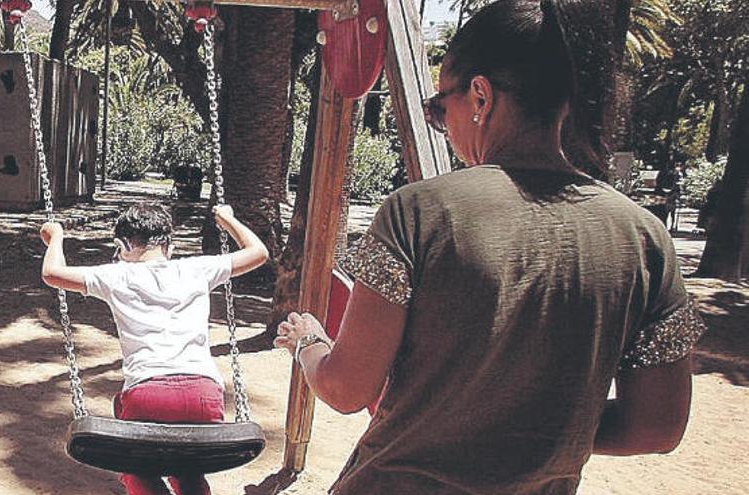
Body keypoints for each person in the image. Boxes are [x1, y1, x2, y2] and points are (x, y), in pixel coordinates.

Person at [274, 1, 706, 494]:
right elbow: (656, 426)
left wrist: (308, 342)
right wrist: (529, 431)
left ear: (480, 96)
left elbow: (348, 388)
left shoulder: (419, 212)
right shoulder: (646, 239)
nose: (444, 124)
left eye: (440, 108)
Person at [39, 203, 268, 495]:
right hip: (204, 395)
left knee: (137, 468)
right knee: (189, 469)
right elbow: (258, 252)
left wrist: (55, 236)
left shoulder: (116, 275)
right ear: (168, 245)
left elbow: (52, 273)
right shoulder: (197, 268)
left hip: (148, 394)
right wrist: (228, 219)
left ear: (122, 245)